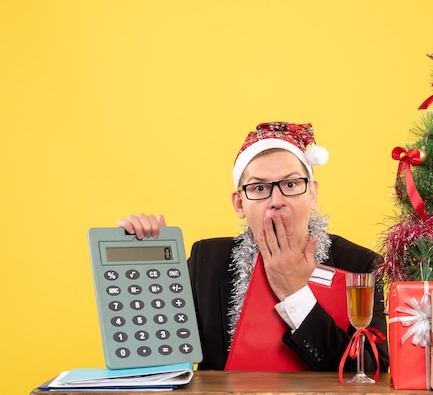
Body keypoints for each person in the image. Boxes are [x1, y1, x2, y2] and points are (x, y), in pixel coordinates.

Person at [118, 121, 389, 372]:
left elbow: (370, 370)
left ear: (312, 193)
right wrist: (147, 262)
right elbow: (159, 354)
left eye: (291, 184)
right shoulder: (206, 263)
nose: (276, 200)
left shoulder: (360, 266)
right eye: (259, 188)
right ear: (239, 204)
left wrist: (295, 294)